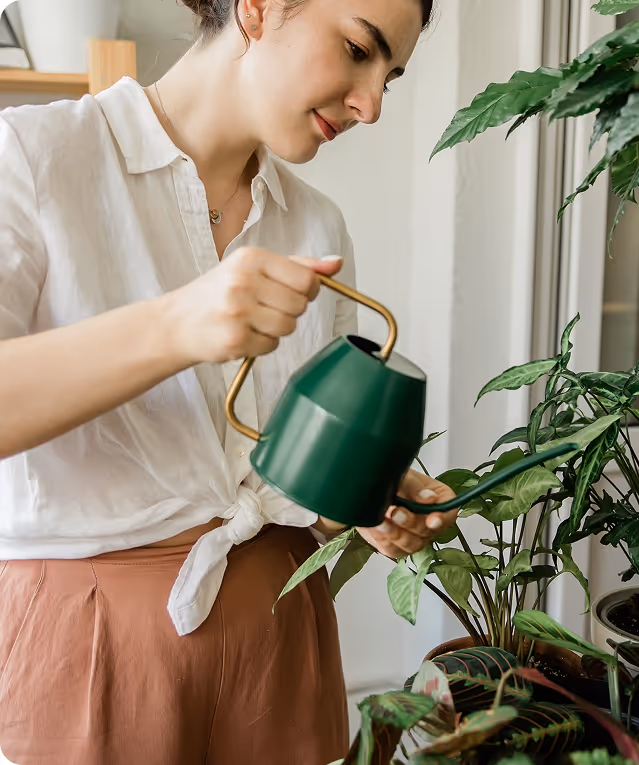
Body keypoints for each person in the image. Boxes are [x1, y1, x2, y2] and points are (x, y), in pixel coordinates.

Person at [0, 0, 457, 762]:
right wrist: (176, 324)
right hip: (90, 657)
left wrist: (364, 500)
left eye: (391, 77)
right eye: (356, 50)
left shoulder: (318, 227)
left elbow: (297, 492)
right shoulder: (33, 157)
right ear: (258, 7)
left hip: (284, 651)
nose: (371, 104)